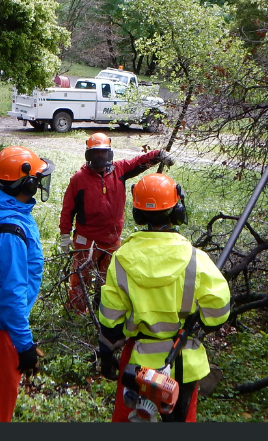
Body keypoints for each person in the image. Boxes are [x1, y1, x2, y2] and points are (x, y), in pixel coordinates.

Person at [97, 173, 230, 422]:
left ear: (138, 214)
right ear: (177, 211)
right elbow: (217, 315)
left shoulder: (122, 259)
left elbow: (111, 321)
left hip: (139, 368)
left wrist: (106, 353)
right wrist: (198, 316)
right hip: (184, 367)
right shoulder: (196, 259)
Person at [0, 146, 55, 422]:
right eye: (36, 180)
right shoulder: (11, 235)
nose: (39, 184)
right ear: (26, 183)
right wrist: (24, 346)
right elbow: (11, 297)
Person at [58, 132, 172, 315]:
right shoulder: (78, 179)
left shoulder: (120, 170)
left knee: (108, 282)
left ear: (109, 153)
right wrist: (65, 234)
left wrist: (158, 155)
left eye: (103, 152)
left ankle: (102, 313)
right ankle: (76, 315)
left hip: (111, 239)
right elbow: (68, 209)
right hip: (85, 239)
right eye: (96, 153)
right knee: (80, 280)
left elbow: (139, 162)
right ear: (89, 154)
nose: (100, 156)